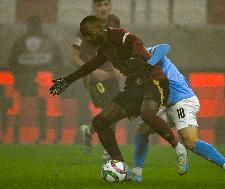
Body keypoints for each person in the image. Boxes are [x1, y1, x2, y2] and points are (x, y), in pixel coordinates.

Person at [49, 15, 188, 177]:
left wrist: (136, 57)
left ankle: (179, 148)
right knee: (99, 122)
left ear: (101, 27)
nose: (88, 38)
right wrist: (67, 80)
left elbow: (136, 42)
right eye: (85, 35)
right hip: (134, 86)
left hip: (153, 80)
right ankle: (121, 166)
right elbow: (89, 67)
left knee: (147, 114)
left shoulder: (119, 35)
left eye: (90, 33)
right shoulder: (104, 49)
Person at [131, 44, 225, 186]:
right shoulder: (133, 67)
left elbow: (164, 47)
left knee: (190, 141)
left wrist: (149, 65)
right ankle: (136, 173)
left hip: (183, 101)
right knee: (143, 129)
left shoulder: (145, 53)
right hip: (171, 105)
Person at [71, 0, 122, 159]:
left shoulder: (114, 22)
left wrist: (118, 66)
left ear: (110, 6)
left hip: (111, 75)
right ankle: (109, 149)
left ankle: (90, 130)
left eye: (106, 4)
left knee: (116, 109)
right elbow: (74, 57)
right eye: (99, 5)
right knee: (111, 109)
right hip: (95, 78)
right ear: (94, 7)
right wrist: (93, 72)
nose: (103, 8)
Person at [8, 16, 63, 144]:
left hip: (39, 81)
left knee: (37, 110)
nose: (33, 28)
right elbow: (12, 61)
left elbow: (58, 62)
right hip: (29, 81)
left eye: (35, 25)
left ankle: (37, 137)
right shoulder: (22, 42)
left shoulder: (22, 42)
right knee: (28, 110)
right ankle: (23, 137)